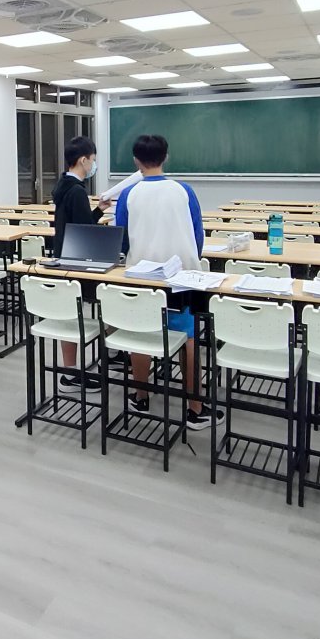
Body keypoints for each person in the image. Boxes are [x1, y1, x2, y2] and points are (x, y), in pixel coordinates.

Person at [114, 133, 222, 431]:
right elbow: (197, 234)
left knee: (140, 333)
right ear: (166, 157)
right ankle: (195, 409)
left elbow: (121, 237)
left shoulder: (128, 194)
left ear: (136, 161)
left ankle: (141, 396)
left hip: (141, 277)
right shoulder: (183, 191)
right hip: (181, 279)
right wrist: (189, 260)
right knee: (188, 338)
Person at [51, 135, 107, 393]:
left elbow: (76, 223)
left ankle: (69, 372)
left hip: (63, 255)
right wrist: (99, 215)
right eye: (92, 160)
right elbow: (86, 231)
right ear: (83, 160)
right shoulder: (77, 191)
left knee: (68, 315)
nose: (93, 165)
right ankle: (76, 373)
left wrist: (98, 209)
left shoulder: (63, 186)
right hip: (77, 260)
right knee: (82, 313)